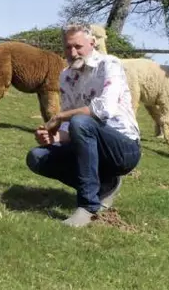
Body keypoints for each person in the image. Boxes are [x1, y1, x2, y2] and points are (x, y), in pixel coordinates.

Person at [25, 23, 142, 227]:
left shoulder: (110, 65)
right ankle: (105, 184)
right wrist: (53, 138)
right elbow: (69, 129)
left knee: (81, 121)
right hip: (88, 141)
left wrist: (61, 116)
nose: (73, 52)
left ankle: (87, 206)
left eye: (78, 46)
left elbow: (103, 109)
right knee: (37, 157)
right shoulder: (66, 76)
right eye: (68, 47)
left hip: (124, 148)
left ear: (92, 43)